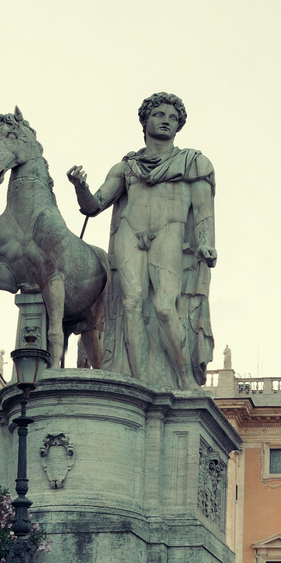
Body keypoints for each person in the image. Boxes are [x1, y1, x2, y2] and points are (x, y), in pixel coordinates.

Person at [68, 93, 215, 389]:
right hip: (129, 234)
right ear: (145, 120)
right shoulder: (126, 167)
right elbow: (93, 205)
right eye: (159, 115)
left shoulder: (193, 163)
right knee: (131, 304)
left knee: (164, 306)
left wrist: (205, 242)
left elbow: (202, 211)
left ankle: (185, 377)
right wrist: (80, 186)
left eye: (173, 118)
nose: (166, 121)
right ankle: (138, 382)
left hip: (168, 234)